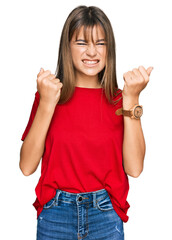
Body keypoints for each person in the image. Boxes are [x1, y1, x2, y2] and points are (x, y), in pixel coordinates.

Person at [19, 5, 153, 240]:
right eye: (82, 43)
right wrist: (47, 104)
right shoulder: (49, 95)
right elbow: (27, 166)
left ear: (109, 49)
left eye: (100, 43)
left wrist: (132, 98)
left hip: (106, 215)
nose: (92, 52)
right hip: (55, 215)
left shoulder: (121, 100)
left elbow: (135, 168)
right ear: (67, 47)